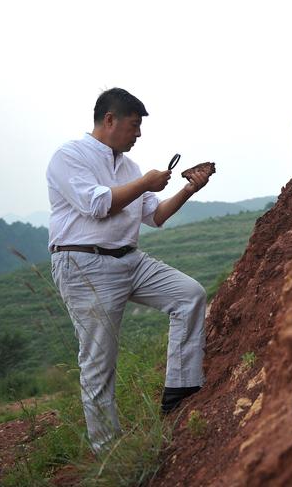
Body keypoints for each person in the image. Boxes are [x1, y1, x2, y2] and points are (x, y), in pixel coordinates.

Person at [46, 87, 213, 454]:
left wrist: (188, 188)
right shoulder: (68, 157)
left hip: (129, 260)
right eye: (134, 126)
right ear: (110, 120)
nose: (138, 135)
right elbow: (97, 205)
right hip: (83, 262)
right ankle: (108, 452)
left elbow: (154, 215)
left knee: (190, 296)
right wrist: (145, 183)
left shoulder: (129, 166)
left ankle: (180, 391)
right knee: (99, 360)